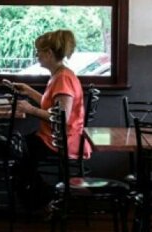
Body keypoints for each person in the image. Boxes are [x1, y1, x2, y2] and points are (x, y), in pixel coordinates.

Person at [5, 30, 89, 194]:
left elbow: (61, 117)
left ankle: (47, 198)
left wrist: (30, 109)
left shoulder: (63, 78)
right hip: (55, 138)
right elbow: (53, 105)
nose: (37, 55)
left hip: (61, 141)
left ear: (49, 53)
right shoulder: (59, 75)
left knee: (16, 150)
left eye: (39, 51)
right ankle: (44, 198)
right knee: (18, 149)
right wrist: (30, 92)